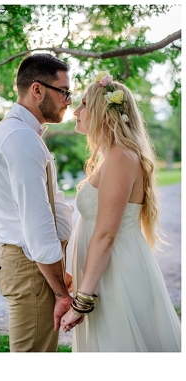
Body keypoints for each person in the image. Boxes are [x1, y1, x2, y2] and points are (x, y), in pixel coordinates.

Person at [59, 73, 181, 351]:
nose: (75, 112)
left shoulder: (120, 158)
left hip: (116, 276)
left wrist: (82, 302)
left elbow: (105, 235)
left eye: (83, 104)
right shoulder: (110, 157)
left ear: (104, 113)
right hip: (101, 272)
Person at [0, 53, 75, 352]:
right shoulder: (20, 138)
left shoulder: (22, 134)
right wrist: (62, 293)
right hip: (29, 266)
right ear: (38, 90)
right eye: (64, 91)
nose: (69, 101)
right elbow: (37, 225)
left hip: (33, 264)